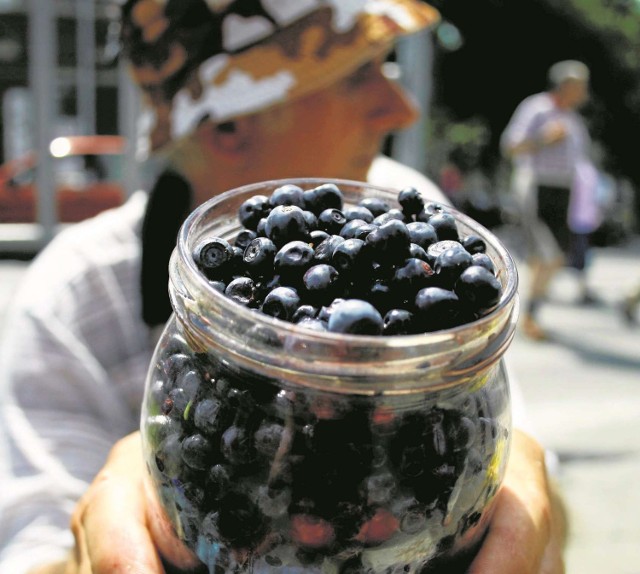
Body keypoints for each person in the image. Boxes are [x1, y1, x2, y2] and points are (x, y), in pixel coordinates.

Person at [0, 1, 566, 573]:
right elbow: (34, 550)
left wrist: (526, 491)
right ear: (227, 123)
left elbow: (537, 498)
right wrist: (88, 549)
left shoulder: (403, 209)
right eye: (356, 74)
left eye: (388, 67)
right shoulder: (77, 298)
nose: (401, 108)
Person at [501, 59, 601, 341]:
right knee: (551, 256)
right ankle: (528, 316)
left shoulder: (573, 119)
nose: (584, 92)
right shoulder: (538, 109)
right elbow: (511, 146)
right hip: (537, 188)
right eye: (580, 86)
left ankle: (526, 313)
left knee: (545, 259)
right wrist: (544, 140)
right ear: (566, 85)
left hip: (563, 192)